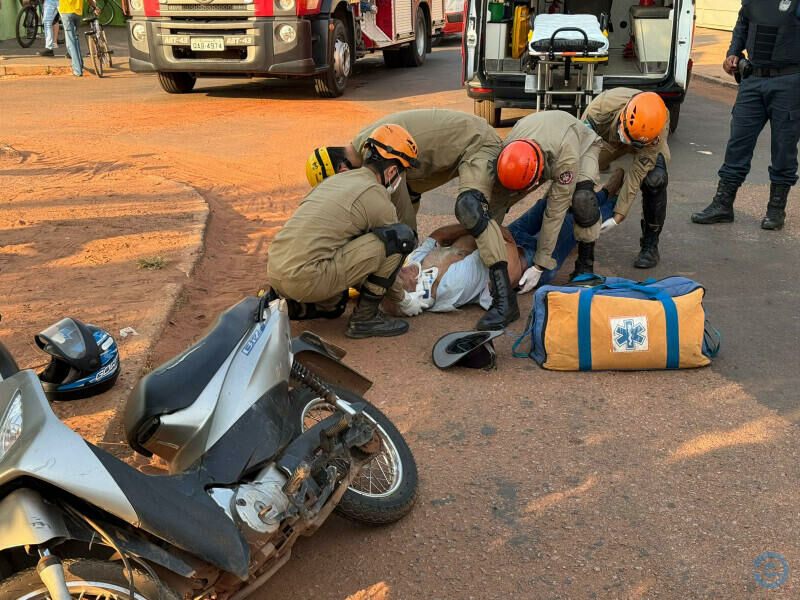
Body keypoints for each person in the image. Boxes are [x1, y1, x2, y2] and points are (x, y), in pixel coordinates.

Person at [304, 108, 521, 332]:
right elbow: (399, 205)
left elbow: (400, 228)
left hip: (479, 145)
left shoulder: (379, 153)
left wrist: (392, 274)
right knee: (485, 235)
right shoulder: (369, 151)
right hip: (447, 160)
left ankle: (506, 302)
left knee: (472, 210)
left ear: (341, 170)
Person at [267, 125, 426, 339]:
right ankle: (365, 318)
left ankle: (302, 305)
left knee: (337, 303)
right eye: (401, 173)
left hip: (275, 270)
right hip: (307, 278)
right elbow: (388, 255)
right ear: (391, 171)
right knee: (399, 237)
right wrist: (404, 300)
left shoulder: (337, 179)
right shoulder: (377, 197)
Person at [397, 169, 624, 313]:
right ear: (415, 292)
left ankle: (602, 195)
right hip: (526, 258)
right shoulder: (452, 284)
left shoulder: (414, 264)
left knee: (547, 206)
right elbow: (506, 268)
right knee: (572, 220)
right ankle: (614, 203)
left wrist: (477, 223)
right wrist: (496, 232)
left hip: (504, 235)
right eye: (399, 280)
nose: (399, 272)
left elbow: (438, 236)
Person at [691, 0, 800, 231]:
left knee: (783, 147)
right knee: (737, 143)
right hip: (752, 79)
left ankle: (775, 210)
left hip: (789, 82)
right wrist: (732, 54)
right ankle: (723, 205)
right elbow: (742, 24)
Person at [494, 110, 605, 292]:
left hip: (582, 145)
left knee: (582, 201)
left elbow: (555, 213)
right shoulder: (508, 149)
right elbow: (498, 196)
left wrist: (539, 266)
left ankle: (585, 265)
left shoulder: (565, 160)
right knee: (546, 200)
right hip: (545, 140)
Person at [581, 89, 670, 268]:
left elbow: (637, 174)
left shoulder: (659, 124)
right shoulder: (599, 110)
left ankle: (650, 244)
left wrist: (618, 216)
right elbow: (581, 155)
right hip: (608, 139)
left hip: (644, 146)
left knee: (655, 180)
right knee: (580, 174)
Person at [59, 0, 100, 77]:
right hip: (78, 14)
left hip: (66, 11)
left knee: (70, 42)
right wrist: (95, 7)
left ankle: (77, 70)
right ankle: (80, 64)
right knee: (75, 39)